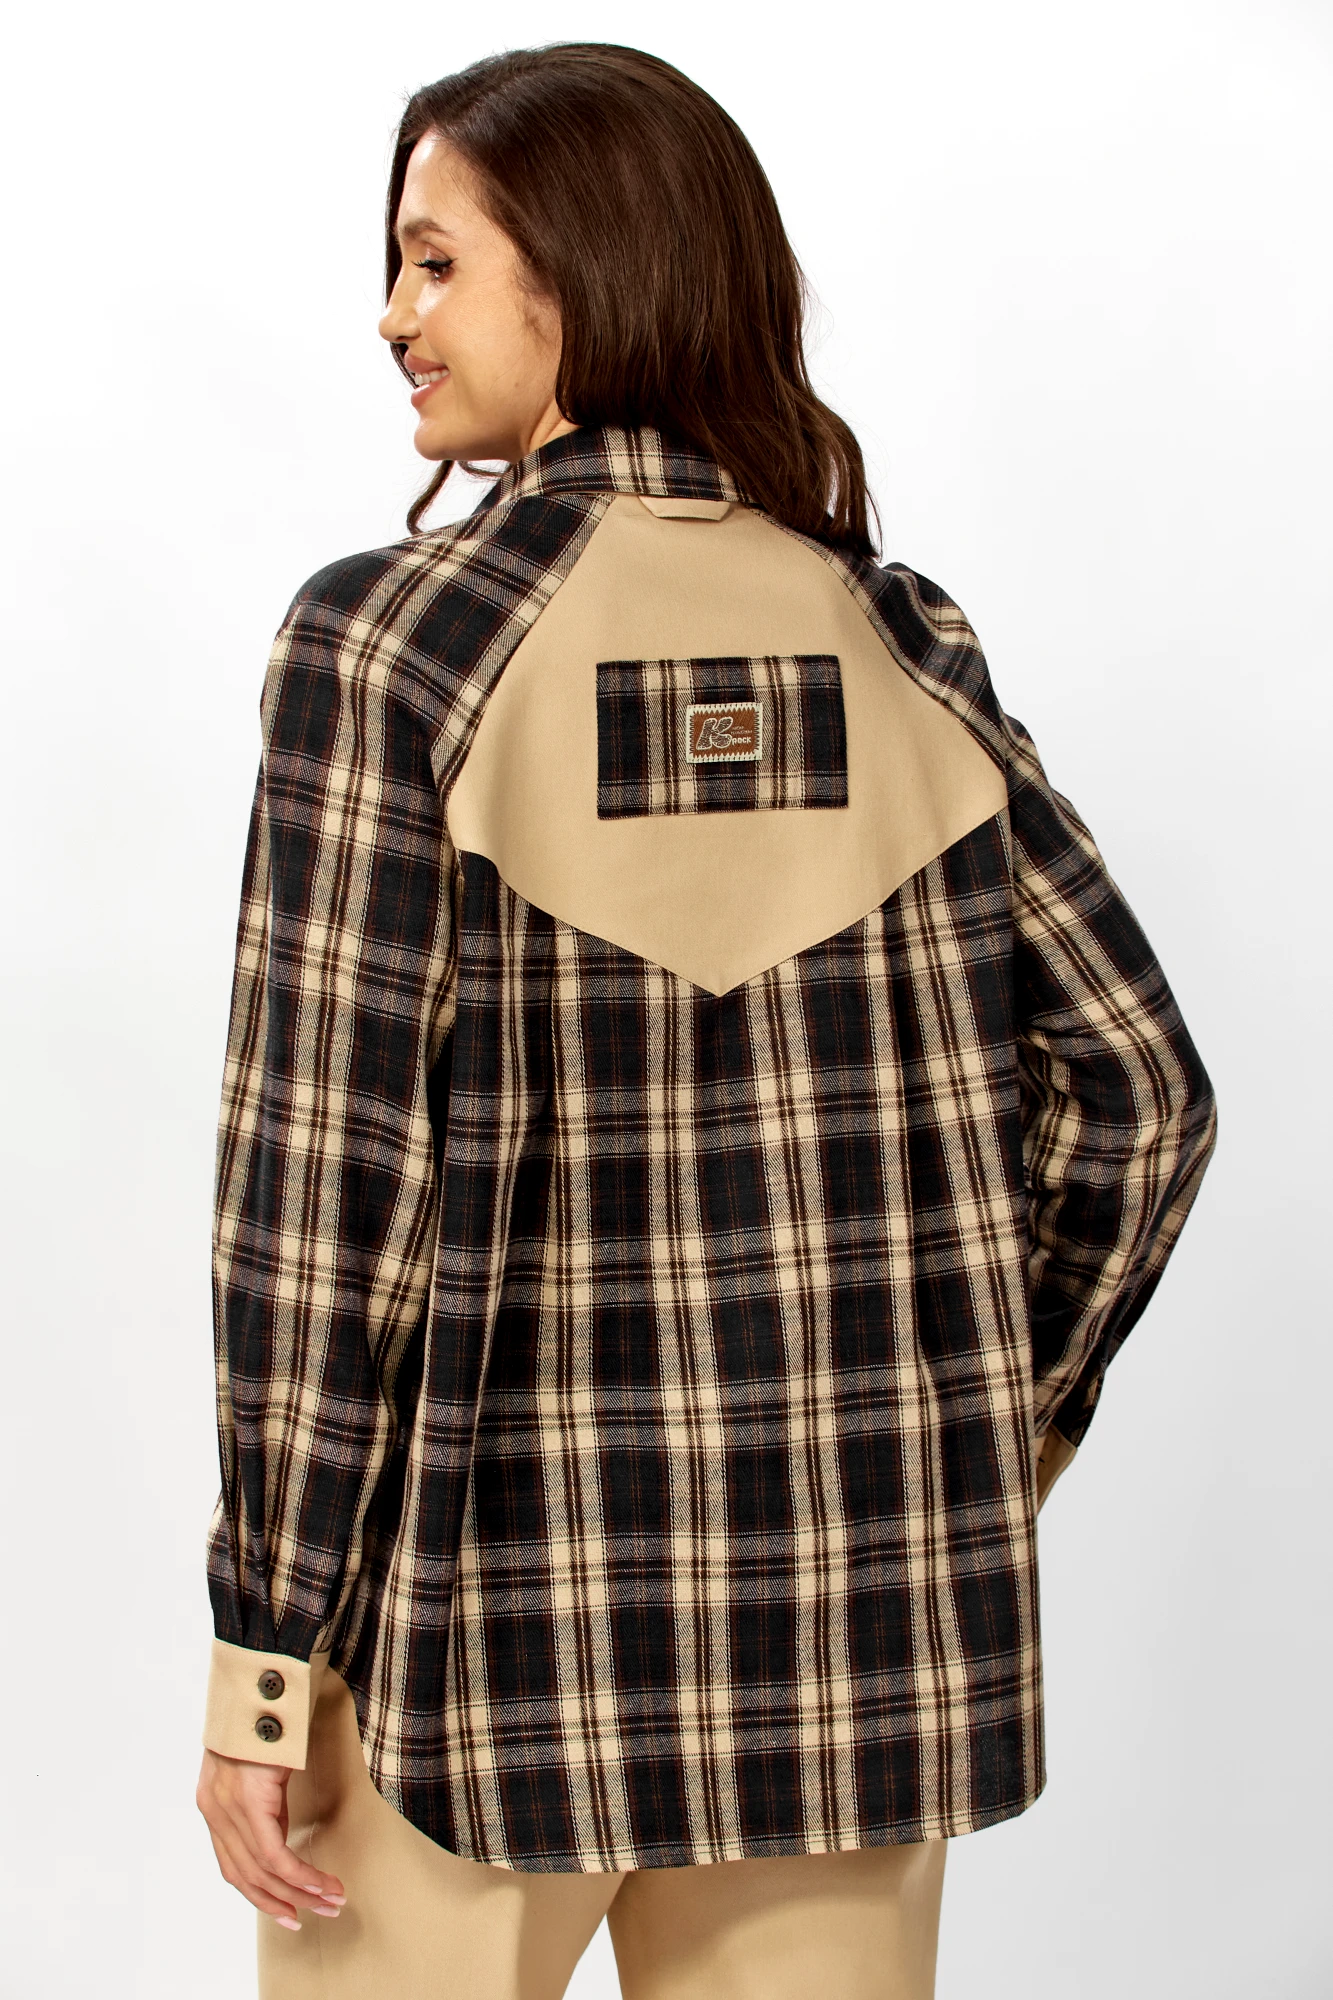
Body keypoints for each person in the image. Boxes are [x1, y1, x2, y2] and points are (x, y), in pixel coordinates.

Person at [194, 41, 1218, 2000]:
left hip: (467, 1669)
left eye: (432, 261)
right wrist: (970, 1442)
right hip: (853, 1649)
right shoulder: (899, 639)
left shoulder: (391, 645)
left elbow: (324, 1207)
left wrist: (266, 1656)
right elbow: (1139, 1093)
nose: (392, 313)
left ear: (585, 268)